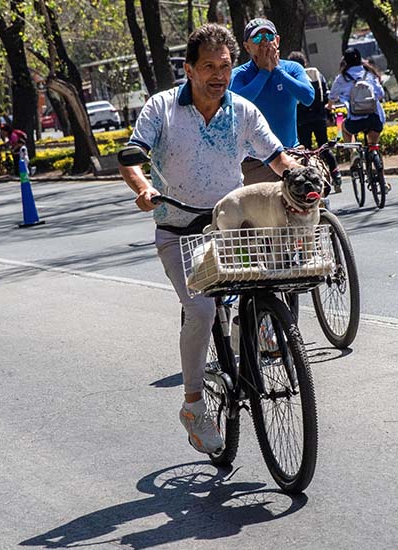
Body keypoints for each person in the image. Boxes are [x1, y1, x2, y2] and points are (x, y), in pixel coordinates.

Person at [118, 23, 316, 455]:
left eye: (224, 66)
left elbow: (275, 155)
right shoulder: (162, 108)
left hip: (232, 227)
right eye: (207, 66)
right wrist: (143, 189)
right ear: (189, 69)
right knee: (202, 309)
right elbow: (133, 155)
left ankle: (258, 331)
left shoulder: (243, 110)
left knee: (267, 284)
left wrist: (297, 176)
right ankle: (193, 406)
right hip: (180, 229)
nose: (217, 75)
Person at [229, 18, 315, 184]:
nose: (264, 43)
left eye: (268, 37)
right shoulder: (239, 75)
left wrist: (277, 70)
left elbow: (308, 97)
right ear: (247, 46)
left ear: (277, 40)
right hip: (255, 162)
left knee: (313, 195)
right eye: (256, 39)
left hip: (291, 153)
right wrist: (263, 73)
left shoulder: (292, 68)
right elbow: (237, 105)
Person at [326, 47, 389, 191]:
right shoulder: (369, 73)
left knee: (345, 129)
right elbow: (380, 94)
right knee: (374, 147)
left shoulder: (342, 78)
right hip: (374, 118)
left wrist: (329, 106)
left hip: (355, 120)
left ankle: (354, 153)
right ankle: (382, 181)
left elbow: (332, 97)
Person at [287, 50, 344, 193]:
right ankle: (336, 174)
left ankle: (307, 182)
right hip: (319, 116)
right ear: (305, 62)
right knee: (324, 147)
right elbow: (325, 94)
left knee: (305, 151)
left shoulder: (290, 76)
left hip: (301, 120)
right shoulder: (316, 74)